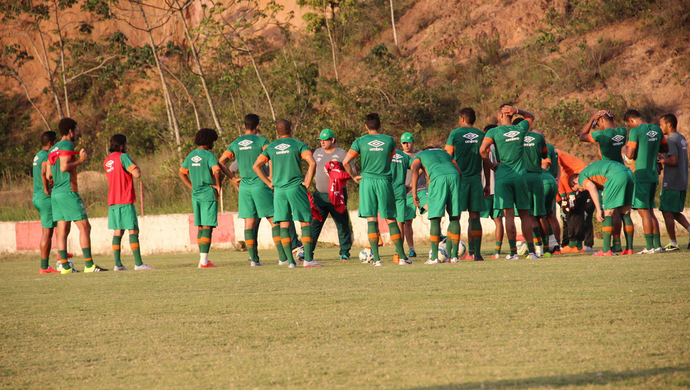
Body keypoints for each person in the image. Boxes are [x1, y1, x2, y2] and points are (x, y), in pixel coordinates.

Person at [342, 113, 410, 266]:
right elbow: (391, 158)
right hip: (384, 181)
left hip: (367, 181)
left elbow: (346, 161)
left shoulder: (360, 141)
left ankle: (377, 260)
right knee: (391, 218)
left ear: (366, 126)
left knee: (371, 219)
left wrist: (354, 176)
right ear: (380, 126)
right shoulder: (389, 140)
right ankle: (402, 258)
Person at [253, 119, 323, 268]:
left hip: (279, 191)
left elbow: (256, 166)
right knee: (305, 222)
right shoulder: (298, 144)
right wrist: (308, 181)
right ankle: (308, 260)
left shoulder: (271, 147)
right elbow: (312, 162)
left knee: (284, 224)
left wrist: (268, 183)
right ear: (291, 129)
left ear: (277, 132)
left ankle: (290, 261)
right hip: (295, 187)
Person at [219, 114, 285, 267]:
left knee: (249, 222)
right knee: (274, 220)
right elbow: (272, 156)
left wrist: (232, 178)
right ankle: (283, 258)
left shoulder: (236, 143)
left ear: (244, 126)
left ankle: (254, 260)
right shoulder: (262, 141)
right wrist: (270, 177)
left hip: (245, 187)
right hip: (260, 185)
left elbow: (222, 162)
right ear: (257, 126)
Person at [48, 118, 108, 273]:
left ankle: (65, 267)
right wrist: (81, 160)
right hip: (68, 191)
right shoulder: (67, 144)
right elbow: (63, 167)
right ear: (70, 131)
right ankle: (89, 265)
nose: (78, 132)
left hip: (56, 193)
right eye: (77, 129)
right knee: (85, 227)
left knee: (62, 231)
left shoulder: (52, 149)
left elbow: (49, 175)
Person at [479, 104, 537, 260]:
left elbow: (482, 150)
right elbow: (531, 117)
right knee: (525, 215)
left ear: (499, 115)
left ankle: (512, 253)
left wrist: (491, 166)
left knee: (508, 215)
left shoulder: (494, 131)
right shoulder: (520, 128)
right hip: (520, 176)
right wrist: (519, 111)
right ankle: (531, 252)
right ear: (511, 114)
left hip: (503, 176)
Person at [104, 134, 154, 271]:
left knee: (118, 231)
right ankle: (138, 264)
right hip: (125, 199)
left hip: (113, 201)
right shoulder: (123, 157)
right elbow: (137, 174)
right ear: (122, 145)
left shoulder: (107, 160)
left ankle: (118, 264)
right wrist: (133, 161)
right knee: (133, 230)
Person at [579, 110, 627, 252]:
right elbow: (614, 130)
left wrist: (591, 119)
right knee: (622, 211)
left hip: (609, 174)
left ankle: (608, 248)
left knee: (611, 211)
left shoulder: (600, 134)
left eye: (597, 123)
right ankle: (618, 244)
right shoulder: (623, 131)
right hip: (623, 170)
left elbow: (582, 136)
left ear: (600, 121)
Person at [445, 107, 488, 261]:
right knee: (475, 217)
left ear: (462, 118)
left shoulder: (455, 134)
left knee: (455, 216)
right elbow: (485, 161)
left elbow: (448, 156)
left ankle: (452, 255)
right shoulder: (482, 135)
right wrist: (488, 183)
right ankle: (476, 254)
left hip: (459, 180)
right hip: (476, 180)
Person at [624, 109, 669, 254]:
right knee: (650, 211)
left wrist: (624, 151)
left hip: (641, 174)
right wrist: (652, 148)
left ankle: (649, 247)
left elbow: (630, 154)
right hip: (653, 175)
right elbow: (665, 147)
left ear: (631, 121)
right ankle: (657, 245)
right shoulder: (656, 129)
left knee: (644, 212)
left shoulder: (635, 131)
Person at [569, 160, 635, 256]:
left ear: (575, 180)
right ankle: (629, 249)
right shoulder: (592, 173)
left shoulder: (581, 177)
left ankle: (606, 250)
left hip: (615, 176)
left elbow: (592, 187)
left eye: (578, 188)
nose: (581, 190)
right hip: (629, 174)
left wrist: (599, 209)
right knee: (625, 213)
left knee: (607, 213)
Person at [410, 147, 463, 264]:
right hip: (454, 177)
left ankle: (434, 258)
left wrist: (414, 193)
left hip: (438, 178)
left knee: (435, 218)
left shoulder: (420, 156)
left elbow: (414, 170)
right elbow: (459, 171)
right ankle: (454, 257)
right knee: (454, 217)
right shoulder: (445, 154)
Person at [179, 128, 222, 268]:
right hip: (208, 193)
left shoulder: (191, 156)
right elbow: (216, 170)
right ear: (208, 141)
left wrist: (192, 187)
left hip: (196, 195)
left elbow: (182, 174)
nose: (214, 144)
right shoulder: (209, 156)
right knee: (208, 226)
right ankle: (204, 261)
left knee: (201, 227)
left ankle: (202, 259)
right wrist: (218, 186)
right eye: (213, 141)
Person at [310, 128, 355, 261]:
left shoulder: (342, 154)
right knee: (314, 223)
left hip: (337, 194)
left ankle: (345, 252)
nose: (322, 142)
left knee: (342, 223)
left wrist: (349, 176)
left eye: (325, 140)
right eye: (321, 140)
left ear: (333, 140)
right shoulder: (317, 152)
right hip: (319, 195)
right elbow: (312, 169)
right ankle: (308, 252)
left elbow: (351, 169)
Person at [658, 114, 690, 250]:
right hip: (682, 181)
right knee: (675, 212)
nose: (660, 128)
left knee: (666, 211)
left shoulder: (670, 139)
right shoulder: (681, 138)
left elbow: (674, 160)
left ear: (669, 124)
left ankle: (673, 243)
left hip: (672, 182)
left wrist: (660, 161)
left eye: (661, 125)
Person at [556, 150, 594, 253]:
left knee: (577, 212)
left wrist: (569, 194)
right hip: (571, 183)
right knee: (568, 213)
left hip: (578, 180)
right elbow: (557, 178)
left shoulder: (552, 153)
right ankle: (571, 244)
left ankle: (577, 245)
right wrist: (561, 199)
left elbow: (562, 175)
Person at [33, 131, 60, 273]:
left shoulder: (37, 155)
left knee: (50, 230)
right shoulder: (46, 156)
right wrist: (47, 188)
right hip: (45, 196)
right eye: (56, 142)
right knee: (47, 232)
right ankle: (44, 266)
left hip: (36, 196)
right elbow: (45, 172)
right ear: (51, 143)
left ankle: (61, 257)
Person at [521, 123, 549, 256]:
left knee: (529, 216)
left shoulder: (516, 137)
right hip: (538, 178)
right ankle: (547, 248)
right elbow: (545, 155)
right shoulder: (538, 137)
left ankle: (536, 249)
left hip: (523, 178)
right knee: (541, 215)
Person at [478, 124, 505, 259]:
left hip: (486, 187)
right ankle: (497, 252)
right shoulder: (502, 146)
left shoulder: (484, 146)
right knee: (498, 219)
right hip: (499, 187)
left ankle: (473, 252)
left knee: (475, 218)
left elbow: (485, 166)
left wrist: (487, 184)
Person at [401, 132, 426, 258]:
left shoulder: (421, 154)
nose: (406, 145)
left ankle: (440, 237)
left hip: (421, 189)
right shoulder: (398, 156)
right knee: (407, 222)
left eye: (408, 142)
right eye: (404, 143)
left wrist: (413, 183)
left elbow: (424, 168)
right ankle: (411, 249)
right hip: (407, 193)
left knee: (431, 209)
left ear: (413, 142)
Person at [391, 137, 413, 263]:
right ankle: (397, 254)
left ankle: (375, 250)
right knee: (400, 223)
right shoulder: (404, 156)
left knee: (389, 221)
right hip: (400, 190)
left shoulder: (384, 155)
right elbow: (417, 167)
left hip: (386, 190)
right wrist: (410, 185)